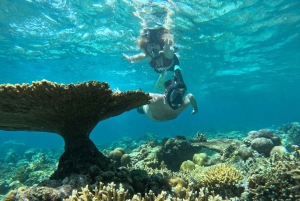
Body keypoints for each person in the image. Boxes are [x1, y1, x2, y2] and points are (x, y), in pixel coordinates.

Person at [123, 27, 181, 92]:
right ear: (146, 47)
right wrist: (130, 59)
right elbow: (140, 57)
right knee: (159, 70)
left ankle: (172, 74)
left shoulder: (166, 53)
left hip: (173, 65)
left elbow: (170, 52)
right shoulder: (148, 55)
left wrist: (167, 48)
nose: (152, 47)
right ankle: (163, 73)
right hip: (158, 69)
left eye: (155, 45)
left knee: (176, 69)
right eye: (150, 46)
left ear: (161, 46)